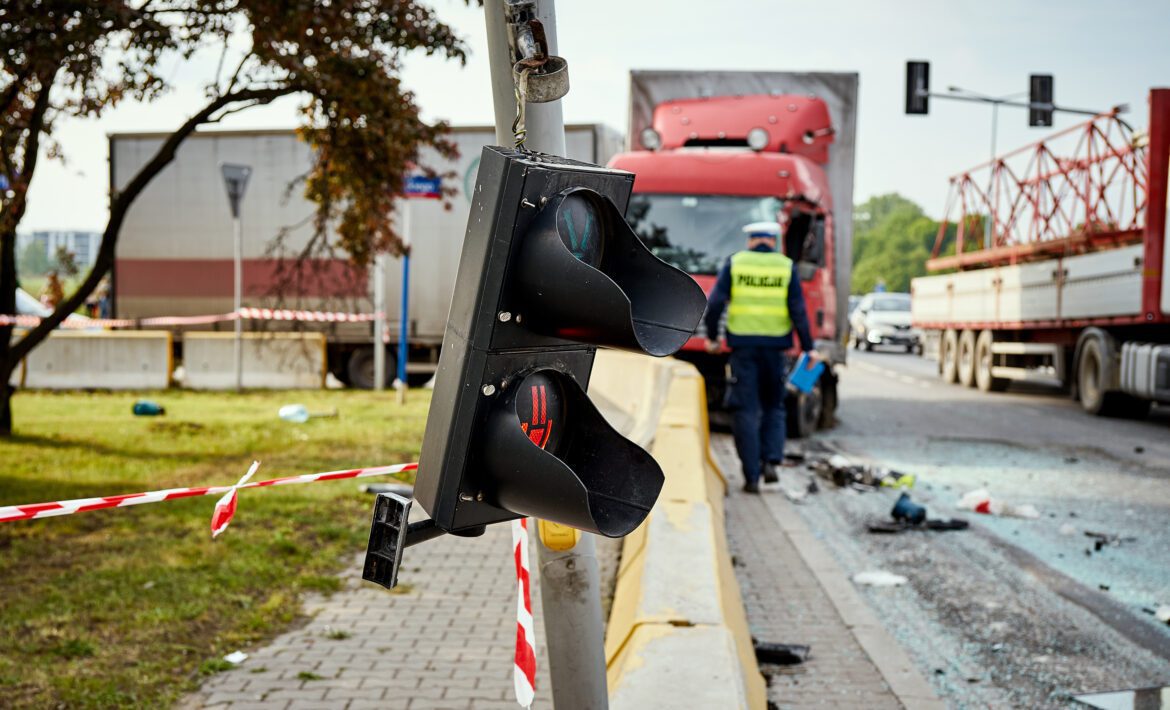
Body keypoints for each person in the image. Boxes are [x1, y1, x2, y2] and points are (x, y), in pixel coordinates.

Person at [704, 221, 817, 493]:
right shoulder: (785, 266)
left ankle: (751, 476)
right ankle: (771, 461)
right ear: (773, 241)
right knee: (774, 407)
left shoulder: (736, 263)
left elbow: (716, 302)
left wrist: (712, 337)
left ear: (751, 240)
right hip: (775, 350)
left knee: (745, 410)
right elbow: (798, 310)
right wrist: (808, 346)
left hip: (743, 350)